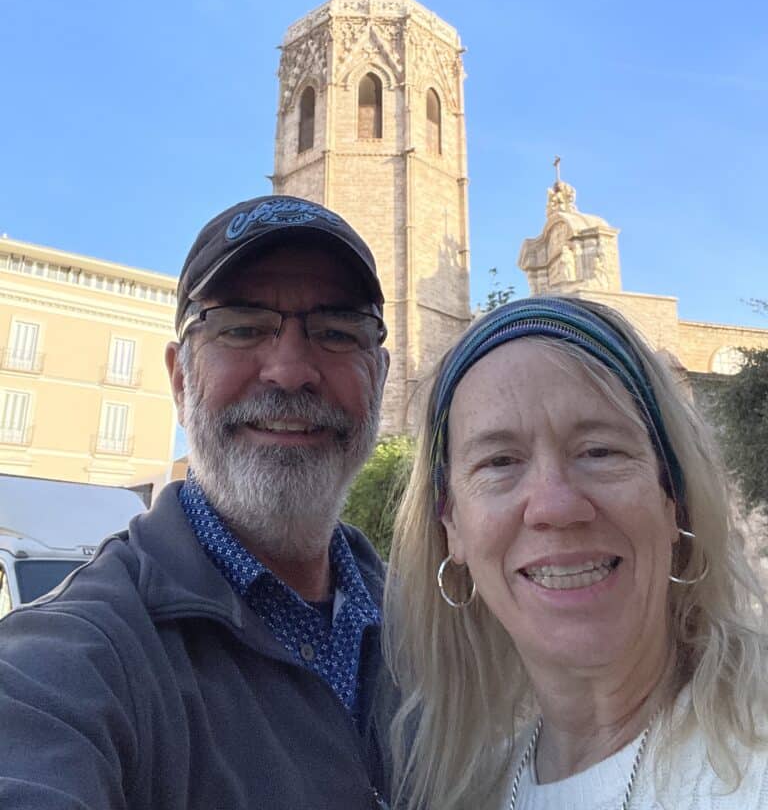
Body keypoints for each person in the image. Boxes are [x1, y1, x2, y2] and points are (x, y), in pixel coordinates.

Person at [0, 195, 394, 810]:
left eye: (339, 333)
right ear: (180, 379)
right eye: (240, 327)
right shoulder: (68, 660)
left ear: (380, 378)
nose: (290, 370)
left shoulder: (439, 634)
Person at [384, 296, 768, 810]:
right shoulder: (470, 792)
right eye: (499, 462)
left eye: (599, 451)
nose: (555, 506)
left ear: (671, 496)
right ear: (451, 525)